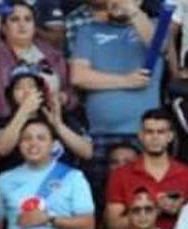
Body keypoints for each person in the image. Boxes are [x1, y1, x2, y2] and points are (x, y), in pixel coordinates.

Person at [0, 117, 95, 229]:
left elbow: (88, 224)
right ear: (19, 143)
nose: (33, 143)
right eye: (27, 138)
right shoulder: (5, 179)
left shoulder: (73, 177)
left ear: (54, 144)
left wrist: (49, 219)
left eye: (41, 138)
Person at [69, 0, 164, 177]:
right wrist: (127, 80)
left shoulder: (156, 26)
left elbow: (159, 45)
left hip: (145, 133)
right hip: (100, 133)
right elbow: (79, 77)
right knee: (101, 194)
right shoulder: (89, 30)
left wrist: (132, 10)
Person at [104, 109, 188, 229]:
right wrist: (156, 209)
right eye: (149, 132)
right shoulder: (120, 175)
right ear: (140, 136)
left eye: (161, 132)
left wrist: (180, 210)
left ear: (170, 136)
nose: (155, 137)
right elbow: (114, 224)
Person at [0, 0, 71, 120]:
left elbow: (70, 91)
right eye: (14, 19)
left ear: (35, 26)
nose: (22, 24)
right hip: (9, 124)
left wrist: (64, 97)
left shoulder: (52, 54)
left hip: (51, 122)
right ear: (3, 28)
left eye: (28, 19)